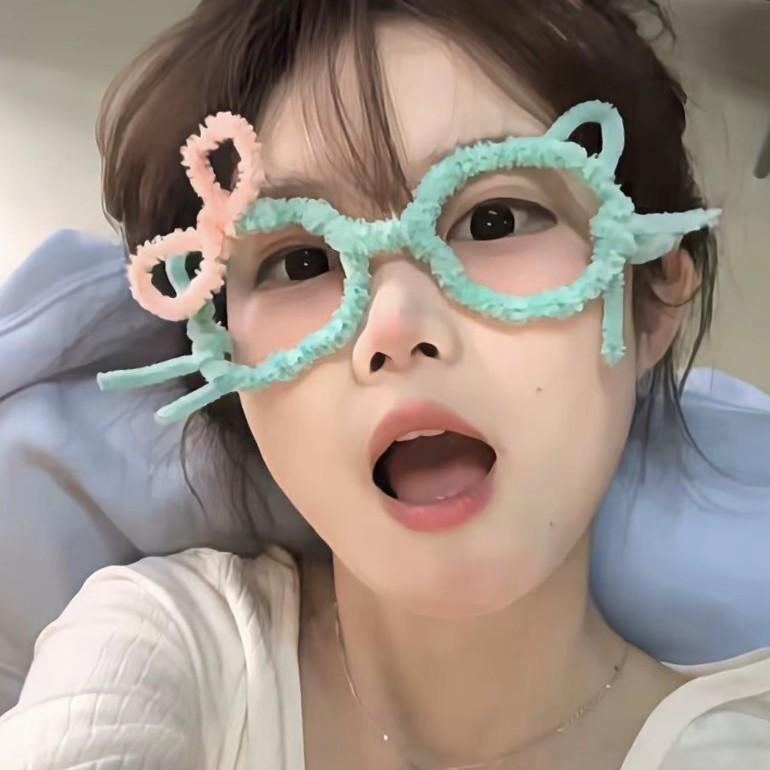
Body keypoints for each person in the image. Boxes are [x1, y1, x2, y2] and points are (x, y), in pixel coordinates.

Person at [1, 1, 769, 768]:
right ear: (223, 362)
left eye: (495, 220)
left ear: (654, 297)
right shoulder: (157, 647)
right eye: (301, 261)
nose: (394, 325)